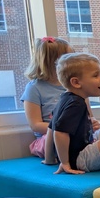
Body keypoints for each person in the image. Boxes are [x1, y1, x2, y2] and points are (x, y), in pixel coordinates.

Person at [51, 52, 100, 174]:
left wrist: (48, 158)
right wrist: (65, 163)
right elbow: (59, 132)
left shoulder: (66, 98)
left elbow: (50, 128)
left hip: (87, 142)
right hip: (78, 158)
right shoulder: (75, 104)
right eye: (95, 75)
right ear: (76, 82)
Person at [21, 36, 73, 164]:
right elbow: (35, 125)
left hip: (77, 134)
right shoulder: (34, 88)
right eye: (71, 58)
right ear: (55, 63)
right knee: (59, 138)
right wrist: (66, 129)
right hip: (49, 138)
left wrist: (91, 123)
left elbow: (88, 116)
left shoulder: (74, 85)